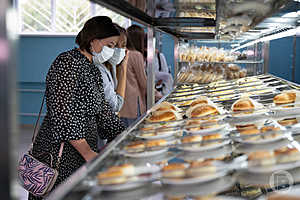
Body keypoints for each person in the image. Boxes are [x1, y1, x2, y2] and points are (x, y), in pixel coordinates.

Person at [28, 16, 125, 200]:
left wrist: (125, 134)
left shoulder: (92, 69)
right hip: (60, 154)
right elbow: (63, 114)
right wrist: (87, 152)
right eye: (110, 45)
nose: (112, 51)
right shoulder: (67, 63)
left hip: (84, 150)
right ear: (93, 40)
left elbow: (102, 110)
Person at [119, 25, 147, 127]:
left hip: (121, 105)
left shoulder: (121, 53)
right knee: (135, 136)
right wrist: (160, 96)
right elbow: (144, 83)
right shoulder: (136, 55)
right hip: (134, 105)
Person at [95, 24, 128, 113]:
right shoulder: (98, 69)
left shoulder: (111, 66)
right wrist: (123, 69)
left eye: (123, 45)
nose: (120, 50)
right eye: (115, 45)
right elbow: (116, 106)